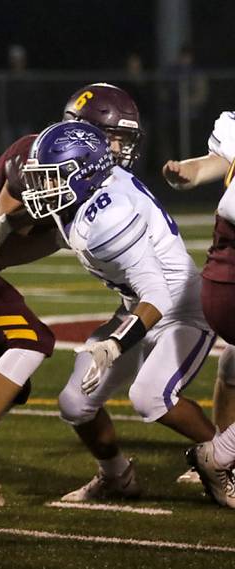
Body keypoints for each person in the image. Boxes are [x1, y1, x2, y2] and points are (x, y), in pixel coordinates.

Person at [0, 83, 146, 506]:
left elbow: (40, 240)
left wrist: (65, 235)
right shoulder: (39, 153)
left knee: (8, 384)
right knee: (33, 340)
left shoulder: (88, 170)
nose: (117, 147)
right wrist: (56, 227)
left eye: (123, 139)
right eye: (111, 136)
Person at [18, 121, 216, 502]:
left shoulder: (110, 213)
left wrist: (113, 345)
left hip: (181, 309)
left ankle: (226, 459)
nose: (43, 187)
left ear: (83, 174)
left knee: (150, 397)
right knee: (75, 403)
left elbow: (156, 296)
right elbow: (54, 236)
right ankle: (117, 477)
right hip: (137, 309)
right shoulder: (86, 194)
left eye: (53, 177)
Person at [165, 111, 235, 504]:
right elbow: (217, 164)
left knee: (232, 364)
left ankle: (225, 453)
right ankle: (220, 455)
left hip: (222, 276)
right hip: (230, 273)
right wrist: (188, 171)